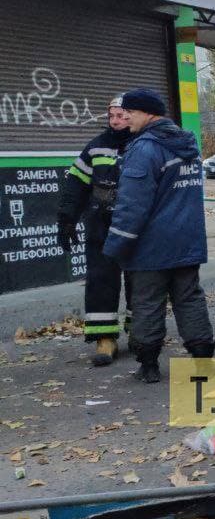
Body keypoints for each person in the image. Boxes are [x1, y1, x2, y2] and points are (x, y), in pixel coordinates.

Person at [103, 88, 215, 382]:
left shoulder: (144, 149)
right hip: (187, 240)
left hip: (151, 246)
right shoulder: (187, 144)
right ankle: (203, 362)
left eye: (130, 112)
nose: (126, 118)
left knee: (147, 303)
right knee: (189, 299)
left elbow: (132, 205)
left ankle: (149, 365)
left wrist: (115, 245)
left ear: (148, 113)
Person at [57, 96, 135, 366]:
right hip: (101, 224)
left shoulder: (145, 144)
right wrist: (66, 219)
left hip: (138, 225)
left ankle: (141, 333)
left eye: (121, 115)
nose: (115, 121)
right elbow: (75, 184)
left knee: (141, 280)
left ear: (133, 115)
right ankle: (105, 338)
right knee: (101, 280)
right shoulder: (96, 147)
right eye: (111, 116)